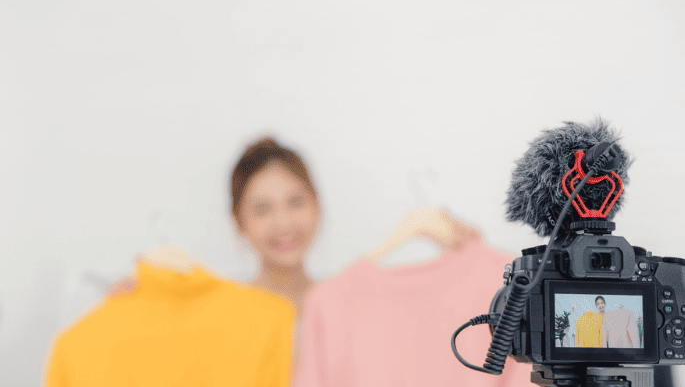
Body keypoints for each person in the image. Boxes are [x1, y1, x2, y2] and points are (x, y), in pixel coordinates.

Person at [109, 136, 481, 315]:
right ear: (239, 223)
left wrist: (460, 261)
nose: (283, 223)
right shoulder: (216, 312)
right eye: (262, 209)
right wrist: (141, 306)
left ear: (316, 206)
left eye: (295, 201)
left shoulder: (355, 302)